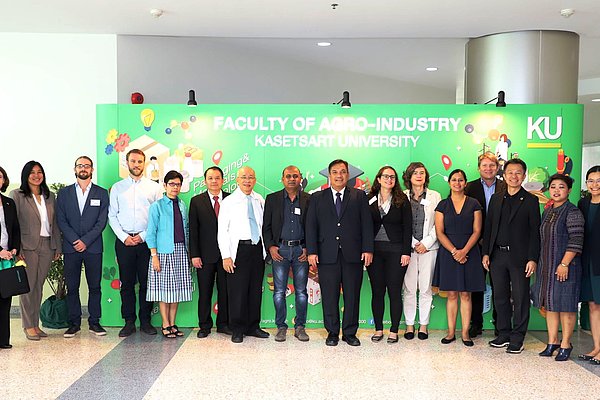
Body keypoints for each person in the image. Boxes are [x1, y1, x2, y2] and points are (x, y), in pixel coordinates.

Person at [306, 159, 374, 347]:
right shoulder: (318, 198)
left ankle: (350, 333)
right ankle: (332, 332)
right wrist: (311, 251)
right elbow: (311, 226)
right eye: (335, 172)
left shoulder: (359, 196)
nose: (339, 175)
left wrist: (367, 248)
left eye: (342, 172)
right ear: (329, 175)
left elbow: (367, 225)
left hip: (353, 255)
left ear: (348, 175)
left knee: (352, 295)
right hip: (326, 255)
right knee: (329, 295)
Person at [483, 158, 541, 354]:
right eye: (510, 173)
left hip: (520, 258)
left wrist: (532, 258)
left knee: (520, 297)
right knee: (500, 297)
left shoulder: (531, 200)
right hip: (497, 256)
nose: (514, 176)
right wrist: (486, 253)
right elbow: (489, 228)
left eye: (518, 173)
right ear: (504, 175)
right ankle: (504, 333)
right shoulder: (497, 198)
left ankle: (518, 337)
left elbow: (535, 232)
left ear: (523, 176)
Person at [108, 149, 163, 337]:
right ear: (127, 163)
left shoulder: (154, 188)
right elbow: (112, 216)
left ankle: (146, 321)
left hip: (147, 242)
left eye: (140, 161)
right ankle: (129, 322)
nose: (137, 165)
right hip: (124, 242)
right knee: (127, 283)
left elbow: (158, 216)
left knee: (147, 283)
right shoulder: (117, 188)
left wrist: (144, 235)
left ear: (144, 163)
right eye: (133, 161)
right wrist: (124, 237)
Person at [531, 174, 584, 361]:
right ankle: (552, 342)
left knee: (566, 306)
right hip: (546, 267)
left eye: (561, 187)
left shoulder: (572, 211)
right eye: (553, 187)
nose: (556, 190)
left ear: (568, 190)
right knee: (551, 305)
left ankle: (566, 343)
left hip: (566, 267)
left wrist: (564, 263)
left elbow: (576, 240)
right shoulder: (548, 211)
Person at [56, 156, 109, 338]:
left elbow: (102, 221)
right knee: (72, 287)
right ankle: (74, 323)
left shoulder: (101, 193)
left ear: (92, 169)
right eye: (80, 165)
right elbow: (61, 220)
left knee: (95, 287)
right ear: (75, 169)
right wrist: (74, 241)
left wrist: (85, 241)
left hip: (93, 247)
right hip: (71, 248)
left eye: (87, 166)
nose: (83, 168)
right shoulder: (64, 193)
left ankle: (94, 322)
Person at [10, 161, 61, 341]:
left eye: (39, 172)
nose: (36, 175)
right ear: (26, 175)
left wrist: (57, 246)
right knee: (28, 286)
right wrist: (18, 248)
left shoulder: (50, 196)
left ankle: (35, 324)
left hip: (47, 245)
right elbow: (13, 223)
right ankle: (27, 325)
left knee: (38, 286)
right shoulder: (17, 195)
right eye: (32, 172)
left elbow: (54, 224)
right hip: (27, 246)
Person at [433, 169, 484, 346]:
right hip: (449, 253)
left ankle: (465, 334)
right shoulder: (442, 205)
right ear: (449, 183)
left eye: (460, 180)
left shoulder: (474, 204)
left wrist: (464, 251)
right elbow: (439, 232)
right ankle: (450, 332)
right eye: (454, 180)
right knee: (452, 294)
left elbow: (477, 231)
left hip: (470, 252)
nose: (457, 183)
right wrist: (455, 251)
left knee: (466, 294)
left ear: (465, 183)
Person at [217, 166, 268, 343]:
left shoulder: (259, 199)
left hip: (256, 249)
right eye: (244, 177)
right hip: (238, 251)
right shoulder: (228, 202)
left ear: (255, 180)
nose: (247, 181)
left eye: (251, 177)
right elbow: (222, 231)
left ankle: (253, 326)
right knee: (237, 291)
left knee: (255, 290)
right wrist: (226, 256)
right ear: (237, 180)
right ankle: (237, 329)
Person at [263, 165, 311, 342]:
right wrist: (271, 247)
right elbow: (266, 227)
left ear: (300, 179)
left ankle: (300, 327)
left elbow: (313, 226)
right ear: (282, 179)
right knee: (279, 292)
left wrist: (308, 247)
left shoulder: (309, 199)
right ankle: (281, 327)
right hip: (280, 250)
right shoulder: (272, 199)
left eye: (295, 176)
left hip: (301, 251)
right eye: (288, 176)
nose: (292, 179)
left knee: (301, 292)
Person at [367, 166, 411, 344]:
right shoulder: (369, 199)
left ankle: (393, 330)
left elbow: (408, 228)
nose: (389, 179)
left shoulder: (402, 200)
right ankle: (378, 329)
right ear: (378, 179)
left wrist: (406, 252)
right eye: (385, 176)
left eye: (392, 177)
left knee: (394, 291)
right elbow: (363, 226)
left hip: (396, 252)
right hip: (374, 253)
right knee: (377, 292)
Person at [146, 170, 193, 338]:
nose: (175, 187)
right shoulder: (156, 206)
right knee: (165, 290)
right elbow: (151, 232)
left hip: (181, 250)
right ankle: (165, 323)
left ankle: (173, 323)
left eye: (178, 184)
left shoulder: (182, 205)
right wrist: (154, 256)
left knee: (177, 289)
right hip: (163, 252)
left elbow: (186, 229)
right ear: (165, 185)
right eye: (172, 184)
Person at [465, 152, 506, 338]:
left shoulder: (507, 186)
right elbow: (465, 215)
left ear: (497, 168)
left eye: (492, 165)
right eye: (484, 165)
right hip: (476, 243)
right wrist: (478, 237)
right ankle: (476, 324)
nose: (488, 169)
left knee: (500, 286)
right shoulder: (469, 187)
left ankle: (501, 325)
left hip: (500, 245)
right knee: (476, 285)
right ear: (478, 168)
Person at [189, 166, 231, 338]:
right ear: (205, 181)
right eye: (211, 178)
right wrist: (195, 255)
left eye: (217, 178)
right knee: (205, 292)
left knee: (225, 291)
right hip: (204, 256)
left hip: (226, 256)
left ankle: (223, 324)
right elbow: (193, 230)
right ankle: (204, 326)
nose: (214, 181)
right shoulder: (197, 201)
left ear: (223, 180)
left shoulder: (230, 199)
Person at [402, 162, 441, 341]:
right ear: (408, 177)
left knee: (425, 288)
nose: (419, 175)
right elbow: (399, 224)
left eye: (422, 173)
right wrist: (412, 242)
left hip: (429, 248)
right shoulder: (401, 196)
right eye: (415, 173)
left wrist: (426, 242)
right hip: (407, 249)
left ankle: (423, 325)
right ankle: (410, 325)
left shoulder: (435, 196)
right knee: (409, 288)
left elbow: (439, 224)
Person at [578, 166, 600, 364]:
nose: (594, 185)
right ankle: (597, 347)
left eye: (598, 180)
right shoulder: (583, 203)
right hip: (587, 262)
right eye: (590, 180)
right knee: (593, 305)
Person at [0, 166, 21, 349]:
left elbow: (14, 228)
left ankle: (3, 340)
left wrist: (14, 248)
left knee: (5, 297)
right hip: (0, 253)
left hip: (7, 258)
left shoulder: (8, 202)